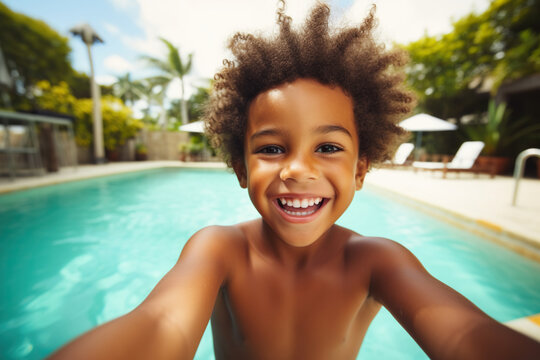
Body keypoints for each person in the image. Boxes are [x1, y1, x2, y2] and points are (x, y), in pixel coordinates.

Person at [50, 2, 540, 359]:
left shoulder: (376, 261)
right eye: (270, 148)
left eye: (328, 148)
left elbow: (461, 334)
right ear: (241, 169)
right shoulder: (220, 250)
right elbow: (161, 323)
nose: (297, 170)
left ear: (360, 169)